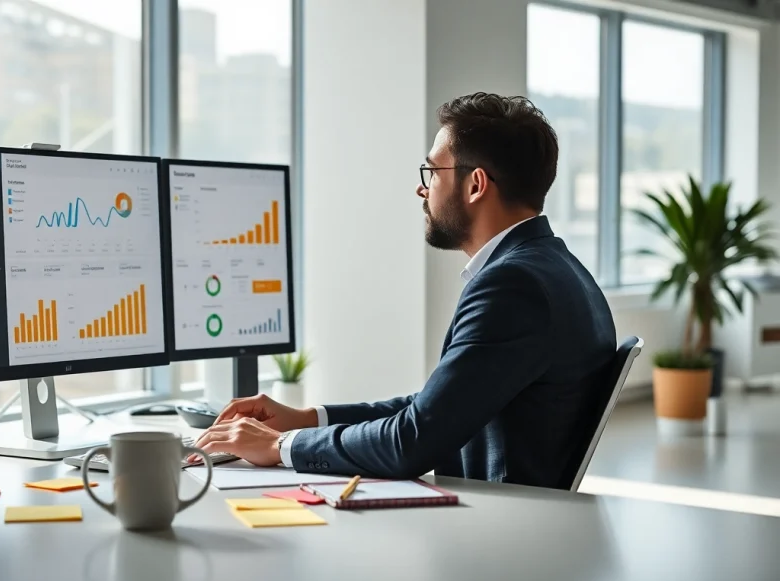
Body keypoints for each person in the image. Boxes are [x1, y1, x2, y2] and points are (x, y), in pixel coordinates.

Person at [191, 92, 617, 488]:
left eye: (431, 171)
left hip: (496, 534)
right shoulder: (559, 268)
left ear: (476, 185)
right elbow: (436, 409)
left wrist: (278, 447)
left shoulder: (513, 286)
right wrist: (306, 418)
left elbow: (411, 442)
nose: (421, 187)